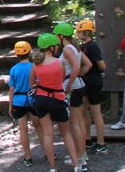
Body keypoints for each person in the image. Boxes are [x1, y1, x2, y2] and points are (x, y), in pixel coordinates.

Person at [31, 33, 84, 172]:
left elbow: (32, 85)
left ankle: (52, 167)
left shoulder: (35, 65)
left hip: (41, 100)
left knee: (48, 134)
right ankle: (76, 165)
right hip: (57, 98)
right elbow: (61, 80)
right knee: (66, 133)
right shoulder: (59, 62)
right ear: (51, 47)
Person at [54, 22, 92, 169]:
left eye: (57, 36)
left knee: (74, 123)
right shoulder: (75, 48)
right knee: (78, 122)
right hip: (78, 86)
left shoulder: (68, 49)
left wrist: (69, 84)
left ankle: (79, 157)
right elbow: (86, 65)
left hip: (73, 88)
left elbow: (76, 67)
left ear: (62, 36)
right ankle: (82, 155)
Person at [76, 19, 107, 153]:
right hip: (86, 82)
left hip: (93, 81)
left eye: (79, 32)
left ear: (86, 32)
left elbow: (102, 66)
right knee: (84, 111)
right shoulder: (84, 47)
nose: (77, 34)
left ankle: (101, 142)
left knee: (96, 112)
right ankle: (87, 139)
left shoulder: (92, 46)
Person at [8, 41, 39, 167]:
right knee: (40, 128)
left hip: (18, 101)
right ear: (29, 52)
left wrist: (10, 105)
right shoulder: (34, 67)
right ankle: (49, 154)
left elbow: (11, 89)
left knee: (23, 130)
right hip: (33, 100)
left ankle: (28, 157)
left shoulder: (14, 69)